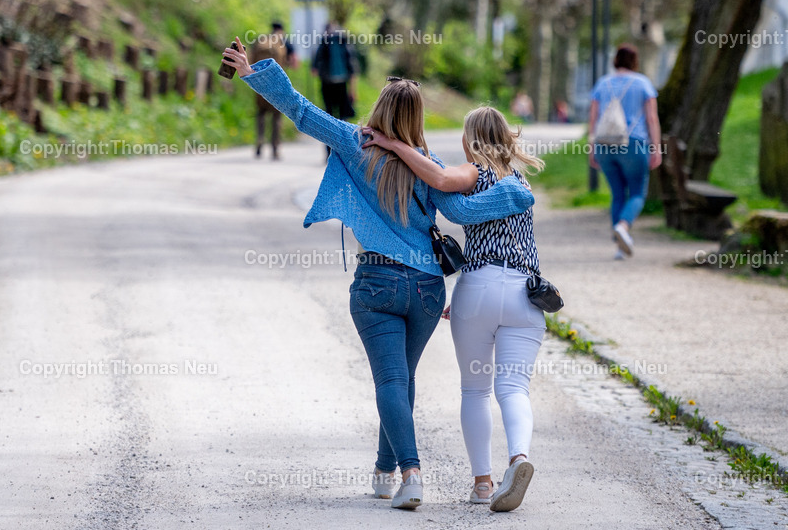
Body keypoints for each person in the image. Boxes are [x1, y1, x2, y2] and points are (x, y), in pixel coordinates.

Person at [222, 41, 534, 511]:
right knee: (402, 379)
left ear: (381, 110)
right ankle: (384, 471)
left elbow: (303, 112)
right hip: (428, 290)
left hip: (377, 284)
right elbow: (459, 208)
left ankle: (411, 474)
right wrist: (514, 195)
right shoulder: (427, 166)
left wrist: (252, 72)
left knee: (390, 381)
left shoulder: (355, 141)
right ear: (418, 119)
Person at [362, 108, 546, 512]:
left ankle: (483, 483)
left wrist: (393, 143)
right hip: (524, 293)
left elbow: (441, 181)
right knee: (514, 388)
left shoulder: (474, 173)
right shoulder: (518, 183)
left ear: (470, 141)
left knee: (475, 389)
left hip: (478, 289)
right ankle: (518, 458)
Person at [588, 44, 663, 258]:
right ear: (635, 61)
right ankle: (623, 226)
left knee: (618, 194)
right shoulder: (643, 83)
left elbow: (593, 118)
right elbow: (651, 118)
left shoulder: (602, 83)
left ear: (615, 60)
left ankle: (619, 248)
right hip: (634, 143)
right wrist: (656, 148)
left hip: (604, 144)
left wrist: (592, 148)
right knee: (638, 192)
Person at [249, 24, 291, 159]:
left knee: (261, 113)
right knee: (276, 116)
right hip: (276, 85)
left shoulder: (260, 42)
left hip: (259, 83)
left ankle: (260, 140)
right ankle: (275, 147)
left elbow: (250, 62)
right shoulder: (281, 46)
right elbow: (285, 66)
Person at [312, 23, 358, 122]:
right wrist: (353, 88)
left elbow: (317, 59)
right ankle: (344, 131)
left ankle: (330, 131)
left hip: (327, 80)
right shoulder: (343, 42)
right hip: (342, 80)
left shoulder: (324, 41)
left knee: (329, 109)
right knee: (342, 110)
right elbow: (351, 64)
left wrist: (315, 67)